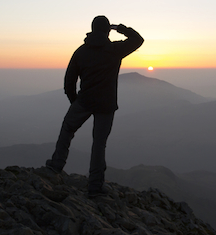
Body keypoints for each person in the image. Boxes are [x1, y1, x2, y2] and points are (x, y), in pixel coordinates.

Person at [46, 15, 144, 197]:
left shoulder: (81, 52)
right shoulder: (115, 50)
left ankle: (56, 165)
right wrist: (120, 28)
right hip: (106, 105)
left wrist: (74, 101)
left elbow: (69, 81)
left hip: (84, 101)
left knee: (67, 130)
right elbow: (138, 40)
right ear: (107, 31)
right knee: (99, 144)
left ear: (92, 29)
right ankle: (95, 186)